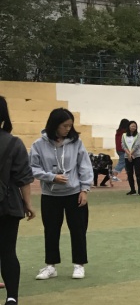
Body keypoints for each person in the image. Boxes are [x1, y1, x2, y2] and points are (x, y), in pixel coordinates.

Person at [28, 107, 93, 280]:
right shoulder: (38, 145)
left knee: (78, 230)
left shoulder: (76, 143)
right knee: (51, 230)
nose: (68, 129)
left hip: (75, 193)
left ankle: (79, 264)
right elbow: (32, 168)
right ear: (54, 125)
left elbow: (85, 166)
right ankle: (51, 266)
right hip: (50, 195)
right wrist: (51, 177)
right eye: (65, 126)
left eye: (70, 125)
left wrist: (84, 189)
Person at [0, 96, 35, 305]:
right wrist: (28, 204)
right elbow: (24, 178)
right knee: (8, 251)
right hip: (8, 204)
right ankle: (12, 298)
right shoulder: (14, 143)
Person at [122, 120, 140, 196]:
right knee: (129, 173)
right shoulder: (124, 135)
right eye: (132, 126)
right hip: (127, 157)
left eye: (135, 126)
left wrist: (130, 154)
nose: (133, 127)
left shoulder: (138, 135)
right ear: (128, 127)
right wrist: (128, 154)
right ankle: (132, 190)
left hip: (136, 156)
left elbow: (137, 144)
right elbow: (123, 145)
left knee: (138, 173)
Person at [111, 118, 128, 183]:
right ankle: (114, 176)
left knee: (127, 163)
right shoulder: (124, 133)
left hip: (119, 149)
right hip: (123, 149)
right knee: (122, 162)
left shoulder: (119, 132)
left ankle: (129, 175)